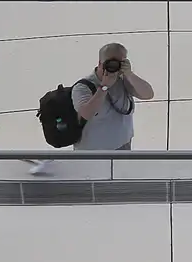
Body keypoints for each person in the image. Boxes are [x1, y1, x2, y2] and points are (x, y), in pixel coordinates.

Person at [29, 42, 153, 175]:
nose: (114, 67)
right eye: (110, 62)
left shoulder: (123, 80)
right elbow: (86, 113)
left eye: (120, 63)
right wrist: (104, 87)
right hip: (93, 153)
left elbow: (148, 94)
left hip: (122, 146)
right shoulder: (83, 87)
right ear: (100, 63)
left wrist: (130, 74)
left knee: (118, 187)